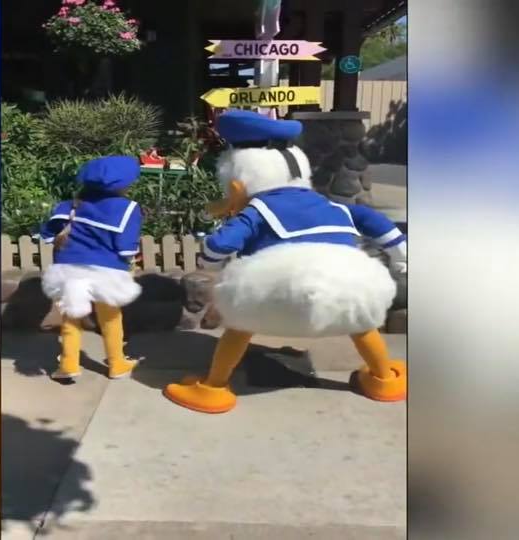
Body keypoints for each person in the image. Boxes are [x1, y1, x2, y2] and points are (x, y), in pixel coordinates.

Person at [163, 109, 407, 413]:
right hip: (347, 293)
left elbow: (219, 244)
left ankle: (213, 388)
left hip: (272, 298)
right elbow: (379, 225)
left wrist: (208, 262)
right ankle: (383, 379)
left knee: (238, 327)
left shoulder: (258, 210)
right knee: (361, 324)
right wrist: (400, 259)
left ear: (237, 184)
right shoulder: (334, 207)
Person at [40, 156, 143, 380]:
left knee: (70, 318)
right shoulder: (127, 208)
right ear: (125, 183)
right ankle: (117, 364)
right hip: (106, 273)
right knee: (111, 319)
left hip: (68, 271)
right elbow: (126, 250)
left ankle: (68, 364)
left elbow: (46, 235)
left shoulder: (67, 206)